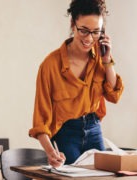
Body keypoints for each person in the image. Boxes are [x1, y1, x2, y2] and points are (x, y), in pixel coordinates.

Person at [29, 0, 124, 167]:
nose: (89, 39)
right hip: (66, 133)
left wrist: (107, 60)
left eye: (96, 32)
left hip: (94, 128)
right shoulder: (50, 65)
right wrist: (51, 153)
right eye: (84, 31)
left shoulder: (100, 59)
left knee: (104, 176)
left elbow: (114, 95)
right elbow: (41, 121)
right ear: (73, 24)